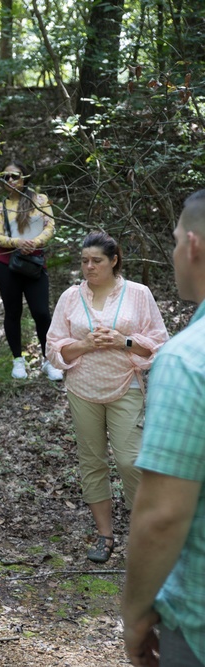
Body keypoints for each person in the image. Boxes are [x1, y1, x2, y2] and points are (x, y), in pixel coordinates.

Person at [47, 231, 168, 563]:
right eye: (84, 261)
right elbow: (54, 346)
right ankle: (105, 536)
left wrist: (122, 340)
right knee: (92, 461)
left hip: (125, 385)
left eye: (96, 261)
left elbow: (158, 343)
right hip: (82, 388)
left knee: (131, 459)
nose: (89, 267)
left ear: (114, 260)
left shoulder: (138, 294)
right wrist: (85, 345)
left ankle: (143, 533)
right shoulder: (71, 297)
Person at [123, 190, 205, 667]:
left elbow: (162, 516)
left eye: (175, 240)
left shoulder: (188, 360)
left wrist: (135, 613)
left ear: (192, 246)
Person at [0, 161, 63, 380]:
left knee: (41, 313)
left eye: (15, 176)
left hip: (34, 263)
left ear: (25, 177)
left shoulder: (40, 200)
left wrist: (35, 241)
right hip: (7, 264)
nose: (11, 180)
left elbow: (50, 225)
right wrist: (17, 243)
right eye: (6, 177)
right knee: (13, 313)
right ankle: (17, 361)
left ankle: (48, 360)